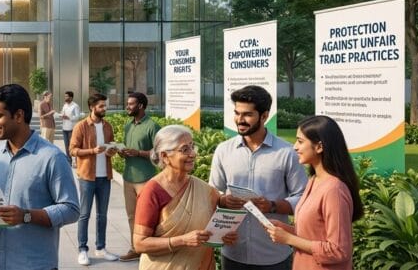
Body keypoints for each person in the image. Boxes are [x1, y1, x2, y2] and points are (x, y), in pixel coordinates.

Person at [0, 84, 79, 270]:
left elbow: (71, 209)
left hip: (35, 264)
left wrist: (26, 215)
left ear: (19, 116)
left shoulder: (52, 157)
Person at [209, 85, 308, 270]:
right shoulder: (224, 150)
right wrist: (223, 200)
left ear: (264, 116)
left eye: (247, 114)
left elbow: (303, 198)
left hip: (273, 255)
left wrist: (272, 205)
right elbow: (212, 192)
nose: (240, 120)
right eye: (237, 113)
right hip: (233, 252)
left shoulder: (287, 153)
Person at [265, 115, 363, 270]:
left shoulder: (334, 190)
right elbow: (314, 235)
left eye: (300, 141)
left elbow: (339, 250)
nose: (295, 147)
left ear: (319, 147)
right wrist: (286, 230)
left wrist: (289, 238)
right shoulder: (313, 180)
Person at [133, 124, 236, 270]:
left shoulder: (203, 189)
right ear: (165, 156)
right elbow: (139, 243)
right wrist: (182, 240)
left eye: (192, 147)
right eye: (185, 149)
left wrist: (222, 236)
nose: (193, 154)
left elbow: (216, 211)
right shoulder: (152, 191)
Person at [69, 93, 120, 265]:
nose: (104, 109)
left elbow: (111, 145)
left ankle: (101, 248)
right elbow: (73, 150)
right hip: (87, 177)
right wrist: (92, 151)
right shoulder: (81, 126)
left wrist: (112, 150)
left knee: (102, 215)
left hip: (104, 176)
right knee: (84, 214)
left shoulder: (107, 126)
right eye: (101, 106)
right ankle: (82, 250)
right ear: (92, 107)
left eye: (105, 106)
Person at [116, 91, 160, 262]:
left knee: (148, 216)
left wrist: (138, 152)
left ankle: (151, 248)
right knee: (131, 215)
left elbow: (159, 153)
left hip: (146, 178)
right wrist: (122, 152)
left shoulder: (152, 126)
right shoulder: (128, 126)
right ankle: (136, 248)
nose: (127, 106)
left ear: (140, 105)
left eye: (131, 104)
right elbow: (129, 149)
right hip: (128, 177)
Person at [60, 90, 81, 165]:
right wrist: (61, 115)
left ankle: (76, 161)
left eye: (67, 96)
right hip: (64, 127)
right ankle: (69, 161)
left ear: (71, 97)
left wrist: (69, 117)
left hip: (72, 129)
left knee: (73, 145)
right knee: (66, 145)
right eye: (65, 96)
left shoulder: (75, 106)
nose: (65, 98)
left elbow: (78, 117)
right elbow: (62, 113)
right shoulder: (65, 105)